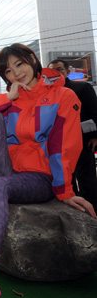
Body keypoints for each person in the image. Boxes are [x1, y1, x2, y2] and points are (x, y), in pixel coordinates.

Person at [0, 43, 96, 298]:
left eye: (19, 64)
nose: (16, 73)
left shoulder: (63, 95)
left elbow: (63, 147)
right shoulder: (11, 98)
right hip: (5, 172)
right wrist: (7, 98)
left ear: (32, 60)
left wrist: (65, 191)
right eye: (8, 71)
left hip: (38, 178)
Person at [48, 59, 97, 211]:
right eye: (53, 71)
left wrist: (95, 136)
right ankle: (76, 215)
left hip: (83, 143)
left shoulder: (82, 87)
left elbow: (95, 112)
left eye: (59, 69)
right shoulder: (49, 93)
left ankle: (93, 214)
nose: (57, 73)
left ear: (67, 71)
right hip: (60, 148)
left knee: (87, 182)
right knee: (67, 183)